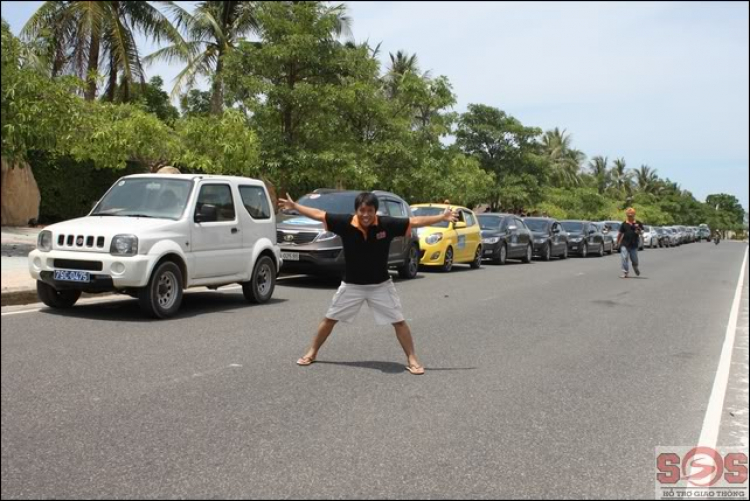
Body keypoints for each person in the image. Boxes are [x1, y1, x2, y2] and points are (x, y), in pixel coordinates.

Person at [278, 192, 458, 375]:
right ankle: (312, 352)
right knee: (330, 318)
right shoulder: (345, 223)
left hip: (380, 285)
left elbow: (416, 221)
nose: (365, 215)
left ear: (375, 211)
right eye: (362, 210)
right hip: (352, 285)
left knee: (399, 322)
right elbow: (318, 214)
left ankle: (412, 359)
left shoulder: (386, 224)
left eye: (370, 211)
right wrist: (295, 207)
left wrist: (442, 217)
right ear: (356, 211)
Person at [617, 207, 644, 278]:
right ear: (626, 215)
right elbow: (620, 233)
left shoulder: (638, 223)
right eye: (628, 215)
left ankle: (635, 267)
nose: (630, 216)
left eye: (631, 215)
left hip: (634, 244)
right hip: (625, 244)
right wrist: (617, 242)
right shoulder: (624, 224)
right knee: (624, 257)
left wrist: (639, 232)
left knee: (634, 259)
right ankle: (625, 272)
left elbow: (642, 232)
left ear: (634, 215)